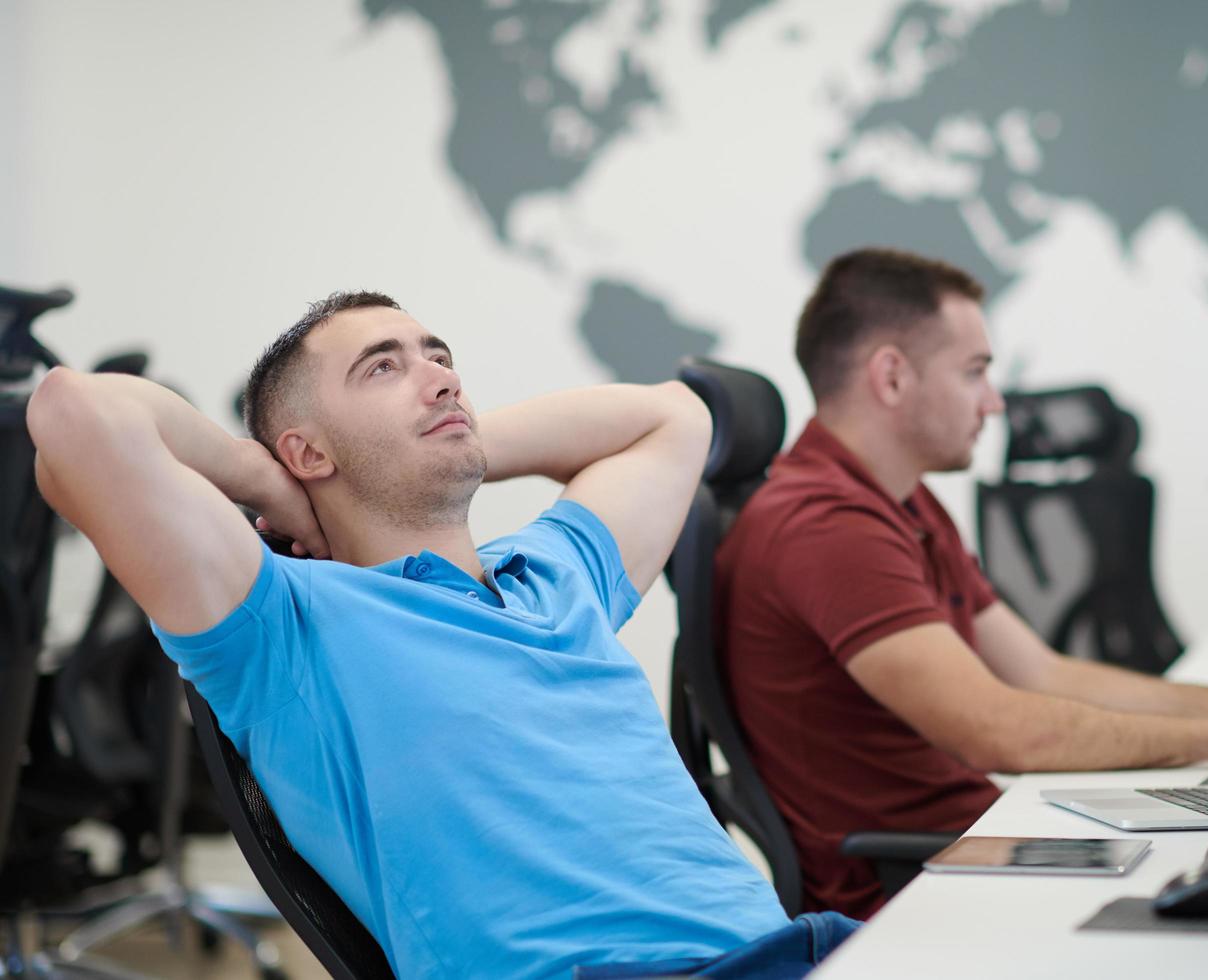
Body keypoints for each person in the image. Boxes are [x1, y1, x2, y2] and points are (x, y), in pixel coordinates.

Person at [25, 292, 857, 979]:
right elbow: (74, 412)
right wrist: (263, 481)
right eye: (383, 366)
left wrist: (462, 442)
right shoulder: (284, 623)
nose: (438, 379)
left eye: (440, 357)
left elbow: (674, 420)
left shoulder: (557, 574)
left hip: (797, 952)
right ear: (305, 448)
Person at [716, 248, 1208, 918]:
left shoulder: (901, 501)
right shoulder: (825, 527)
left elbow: (1042, 674)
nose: (992, 402)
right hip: (915, 897)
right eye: (973, 372)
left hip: (977, 848)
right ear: (892, 377)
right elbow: (1000, 733)